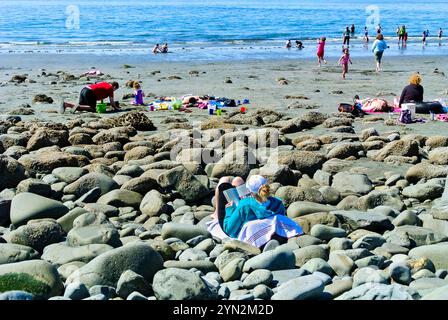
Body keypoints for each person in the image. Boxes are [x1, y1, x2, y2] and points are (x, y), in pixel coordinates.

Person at [208, 175, 303, 248]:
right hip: (255, 206)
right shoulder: (277, 202)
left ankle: (216, 213)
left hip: (239, 213)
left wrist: (229, 210)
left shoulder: (244, 205)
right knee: (238, 180)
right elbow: (279, 213)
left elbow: (229, 230)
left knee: (223, 182)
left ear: (250, 192)